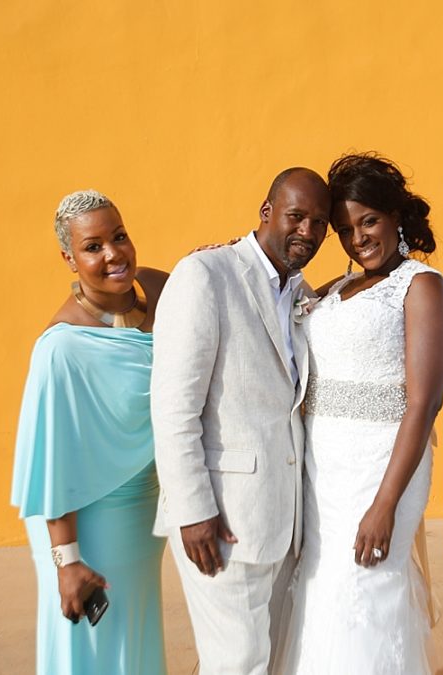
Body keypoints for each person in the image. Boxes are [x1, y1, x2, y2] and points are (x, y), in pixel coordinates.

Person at [276, 153, 443, 675]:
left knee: (365, 590)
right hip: (322, 472)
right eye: (345, 229)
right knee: (321, 588)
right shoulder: (332, 289)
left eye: (369, 221)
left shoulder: (421, 286)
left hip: (381, 471)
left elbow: (424, 404)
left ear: (396, 217)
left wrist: (386, 505)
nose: (359, 239)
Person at [150, 168, 331, 675]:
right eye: (297, 216)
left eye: (320, 223)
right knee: (236, 663)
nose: (308, 232)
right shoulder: (206, 275)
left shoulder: (301, 291)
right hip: (222, 519)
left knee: (270, 661)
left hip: (281, 517)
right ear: (267, 211)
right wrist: (192, 510)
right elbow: (173, 407)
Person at [10, 190, 168, 675]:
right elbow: (54, 462)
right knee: (93, 654)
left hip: (142, 514)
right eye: (93, 246)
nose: (113, 254)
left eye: (118, 236)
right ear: (69, 258)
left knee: (135, 643)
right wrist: (68, 562)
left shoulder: (157, 291)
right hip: (84, 527)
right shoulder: (62, 350)